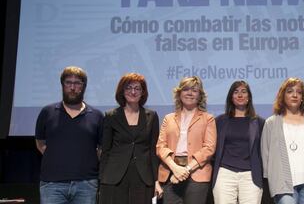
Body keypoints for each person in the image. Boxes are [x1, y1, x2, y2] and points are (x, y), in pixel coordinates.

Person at [35, 66, 103, 204]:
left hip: (86, 184)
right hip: (51, 184)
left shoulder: (97, 115)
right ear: (62, 85)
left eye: (77, 83)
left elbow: (101, 149)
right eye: (68, 82)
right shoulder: (47, 112)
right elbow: (40, 143)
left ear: (84, 86)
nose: (72, 87)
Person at [99, 73, 162, 204]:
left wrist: (156, 180)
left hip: (143, 177)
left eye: (137, 88)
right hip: (114, 177)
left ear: (143, 92)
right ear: (122, 91)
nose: (133, 91)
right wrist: (102, 179)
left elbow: (153, 151)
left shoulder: (152, 116)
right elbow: (106, 150)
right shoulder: (111, 116)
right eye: (128, 88)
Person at [156, 76, 217, 204]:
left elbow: (209, 148)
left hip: (197, 175)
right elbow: (160, 146)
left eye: (194, 90)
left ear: (200, 96)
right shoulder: (168, 118)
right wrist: (175, 168)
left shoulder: (208, 119)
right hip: (170, 174)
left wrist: (186, 169)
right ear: (179, 93)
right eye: (186, 89)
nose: (189, 93)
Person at [261, 77, 304, 204]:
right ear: (282, 96)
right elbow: (265, 155)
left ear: (303, 97)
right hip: (283, 185)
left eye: (299, 92)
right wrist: (271, 181)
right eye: (290, 91)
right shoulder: (271, 122)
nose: (295, 95)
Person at [212, 80, 265, 204]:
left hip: (250, 176)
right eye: (236, 92)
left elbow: (263, 151)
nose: (240, 95)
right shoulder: (219, 121)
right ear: (231, 97)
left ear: (249, 97)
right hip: (225, 173)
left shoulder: (259, 122)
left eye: (243, 92)